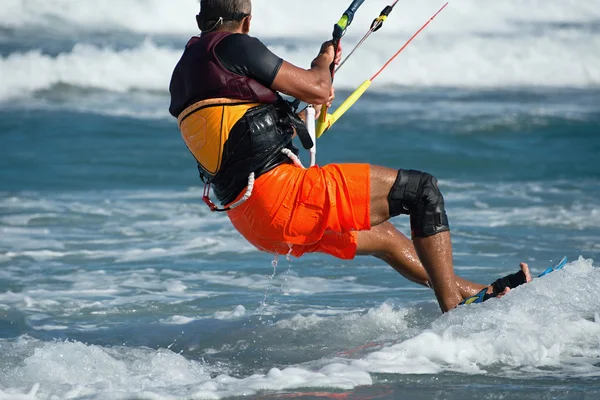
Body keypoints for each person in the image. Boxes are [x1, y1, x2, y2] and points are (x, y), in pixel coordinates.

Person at [168, 0, 531, 313]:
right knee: (422, 191)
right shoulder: (235, 47)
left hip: (251, 220)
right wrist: (323, 61)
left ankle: (483, 295)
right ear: (247, 22)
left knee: (386, 238)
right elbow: (319, 88)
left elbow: (241, 139)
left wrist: (293, 113)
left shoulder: (184, 74)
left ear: (200, 19)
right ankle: (454, 309)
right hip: (284, 199)